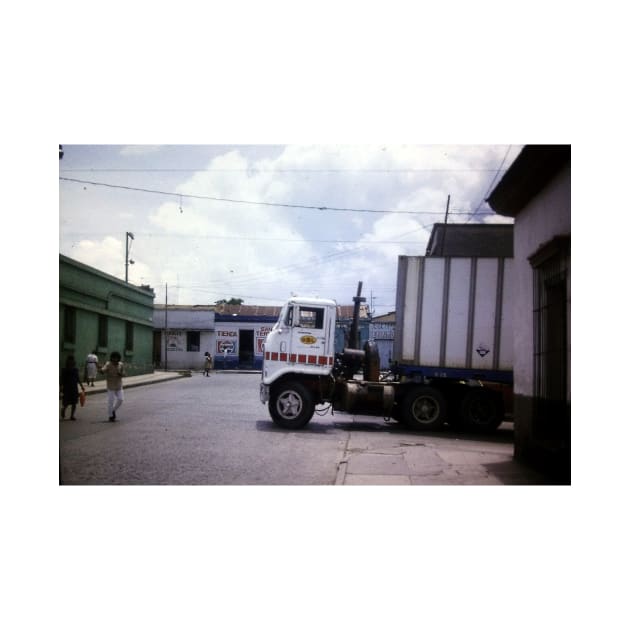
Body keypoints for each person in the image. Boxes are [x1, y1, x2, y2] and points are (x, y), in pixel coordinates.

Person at [99, 351, 125, 421]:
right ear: (112, 358)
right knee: (111, 401)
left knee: (121, 399)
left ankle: (113, 410)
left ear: (118, 358)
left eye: (117, 358)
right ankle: (111, 416)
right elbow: (103, 370)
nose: (115, 359)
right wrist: (100, 370)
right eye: (114, 358)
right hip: (110, 385)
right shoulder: (108, 364)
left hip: (119, 385)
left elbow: (124, 373)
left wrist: (121, 374)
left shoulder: (121, 364)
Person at [60, 355, 85, 421]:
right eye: (70, 360)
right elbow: (62, 380)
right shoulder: (64, 370)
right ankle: (63, 410)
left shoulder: (75, 370)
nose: (71, 362)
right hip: (67, 388)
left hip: (73, 388)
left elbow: (78, 379)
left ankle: (72, 416)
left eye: (72, 360)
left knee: (74, 402)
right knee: (66, 402)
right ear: (67, 362)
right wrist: (61, 387)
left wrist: (82, 386)